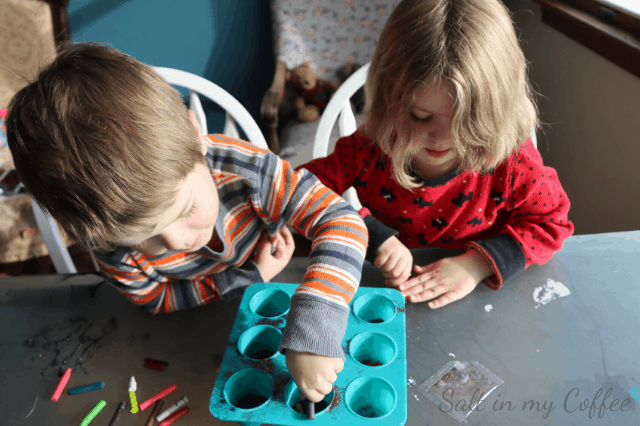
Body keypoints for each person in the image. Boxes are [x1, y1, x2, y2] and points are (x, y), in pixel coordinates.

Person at [4, 43, 368, 403]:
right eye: (144, 238)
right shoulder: (108, 242)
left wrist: (317, 324)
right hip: (205, 321)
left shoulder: (246, 170)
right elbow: (157, 299)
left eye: (182, 210)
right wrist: (250, 276)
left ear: (196, 139)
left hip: (283, 292)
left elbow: (341, 221)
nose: (177, 241)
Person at [297, 0, 574, 310]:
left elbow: (552, 224)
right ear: (388, 101)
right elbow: (297, 190)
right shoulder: (367, 150)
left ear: (495, 111)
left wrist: (475, 265)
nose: (442, 138)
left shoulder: (512, 162)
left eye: (465, 120)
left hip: (483, 307)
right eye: (420, 116)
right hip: (387, 302)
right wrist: (370, 233)